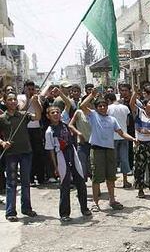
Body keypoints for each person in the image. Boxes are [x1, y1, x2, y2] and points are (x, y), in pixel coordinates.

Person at [80, 89, 136, 212]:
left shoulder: (112, 120)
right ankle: (95, 203)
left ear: (107, 107)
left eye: (104, 106)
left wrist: (133, 139)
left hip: (110, 150)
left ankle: (112, 200)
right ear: (96, 107)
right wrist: (92, 95)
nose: (102, 108)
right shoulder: (93, 116)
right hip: (97, 150)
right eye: (99, 106)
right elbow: (82, 105)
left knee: (111, 177)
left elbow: (121, 133)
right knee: (96, 178)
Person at [44, 106, 91, 222]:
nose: (56, 114)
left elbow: (68, 104)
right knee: (65, 185)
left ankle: (84, 208)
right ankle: (64, 213)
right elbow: (50, 151)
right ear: (48, 116)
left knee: (80, 181)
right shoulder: (49, 132)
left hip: (72, 153)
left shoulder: (65, 124)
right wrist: (56, 168)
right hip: (61, 156)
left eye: (57, 112)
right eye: (53, 112)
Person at [0, 92, 41, 222]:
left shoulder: (23, 116)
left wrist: (35, 102)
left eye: (14, 99)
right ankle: (10, 212)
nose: (12, 102)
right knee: (11, 183)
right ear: (5, 102)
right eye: (10, 99)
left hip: (26, 152)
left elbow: (38, 116)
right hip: (11, 154)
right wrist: (2, 143)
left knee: (25, 182)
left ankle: (26, 208)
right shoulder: (2, 118)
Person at [18, 80, 45, 185]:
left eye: (32, 89)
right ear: (24, 89)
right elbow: (21, 110)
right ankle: (30, 178)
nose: (30, 91)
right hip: (26, 129)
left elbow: (40, 111)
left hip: (36, 128)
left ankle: (40, 177)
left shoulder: (36, 97)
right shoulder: (20, 98)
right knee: (29, 154)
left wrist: (35, 101)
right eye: (28, 89)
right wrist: (28, 99)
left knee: (38, 153)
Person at [106, 93, 132, 188]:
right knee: (124, 159)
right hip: (124, 136)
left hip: (112, 137)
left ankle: (112, 181)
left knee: (113, 160)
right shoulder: (125, 108)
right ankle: (125, 181)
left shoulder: (108, 108)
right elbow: (128, 122)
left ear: (108, 100)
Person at [69, 97, 92, 181]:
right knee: (82, 165)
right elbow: (70, 125)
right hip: (82, 143)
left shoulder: (94, 113)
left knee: (93, 166)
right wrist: (78, 133)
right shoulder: (79, 112)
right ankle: (82, 187)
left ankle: (96, 189)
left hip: (93, 143)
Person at [118, 83, 135, 171]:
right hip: (123, 129)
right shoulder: (120, 103)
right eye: (122, 91)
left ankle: (131, 166)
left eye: (125, 91)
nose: (124, 92)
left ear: (129, 91)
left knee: (132, 148)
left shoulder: (134, 101)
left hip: (133, 128)